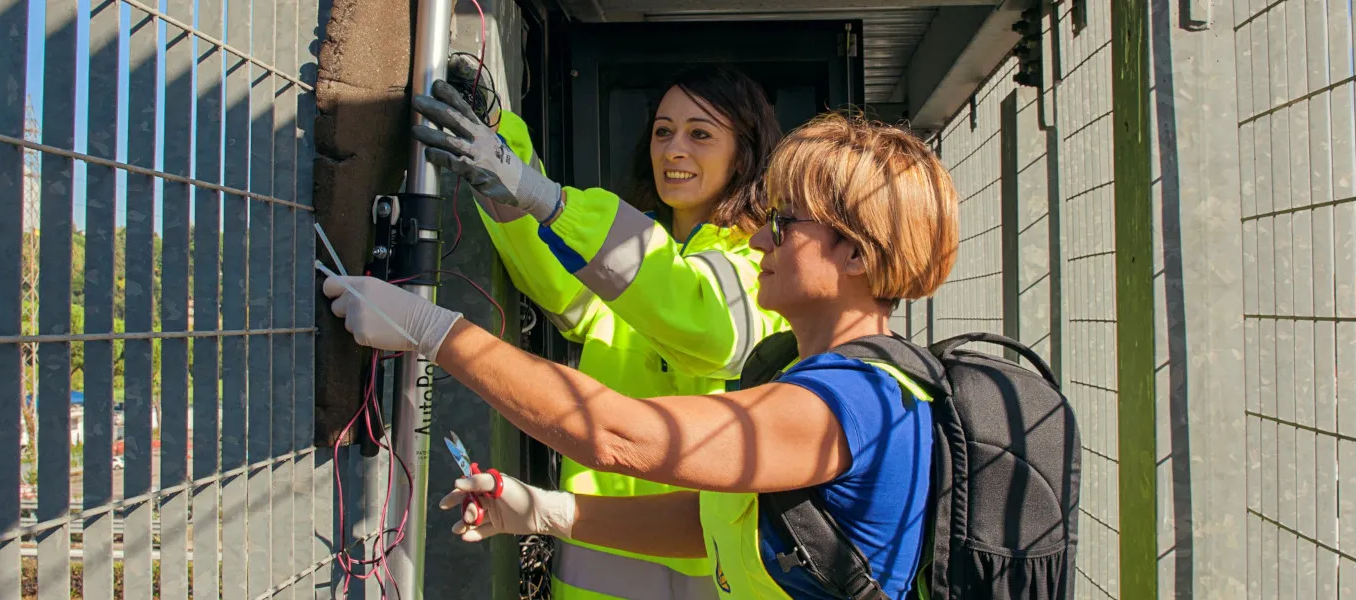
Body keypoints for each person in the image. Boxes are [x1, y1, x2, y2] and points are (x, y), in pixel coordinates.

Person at [323, 113, 959, 599]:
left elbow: (621, 435)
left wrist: (432, 330)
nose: (761, 235)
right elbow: (709, 522)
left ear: (857, 255)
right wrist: (544, 511)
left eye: (786, 224)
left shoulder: (860, 401)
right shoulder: (830, 379)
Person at [406, 63, 792, 599]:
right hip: (596, 555)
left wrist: (541, 195)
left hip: (712, 571)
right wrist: (501, 145)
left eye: (700, 133)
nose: (673, 149)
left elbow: (700, 319)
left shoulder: (762, 264)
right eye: (663, 131)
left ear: (745, 153)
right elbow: (557, 275)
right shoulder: (638, 256)